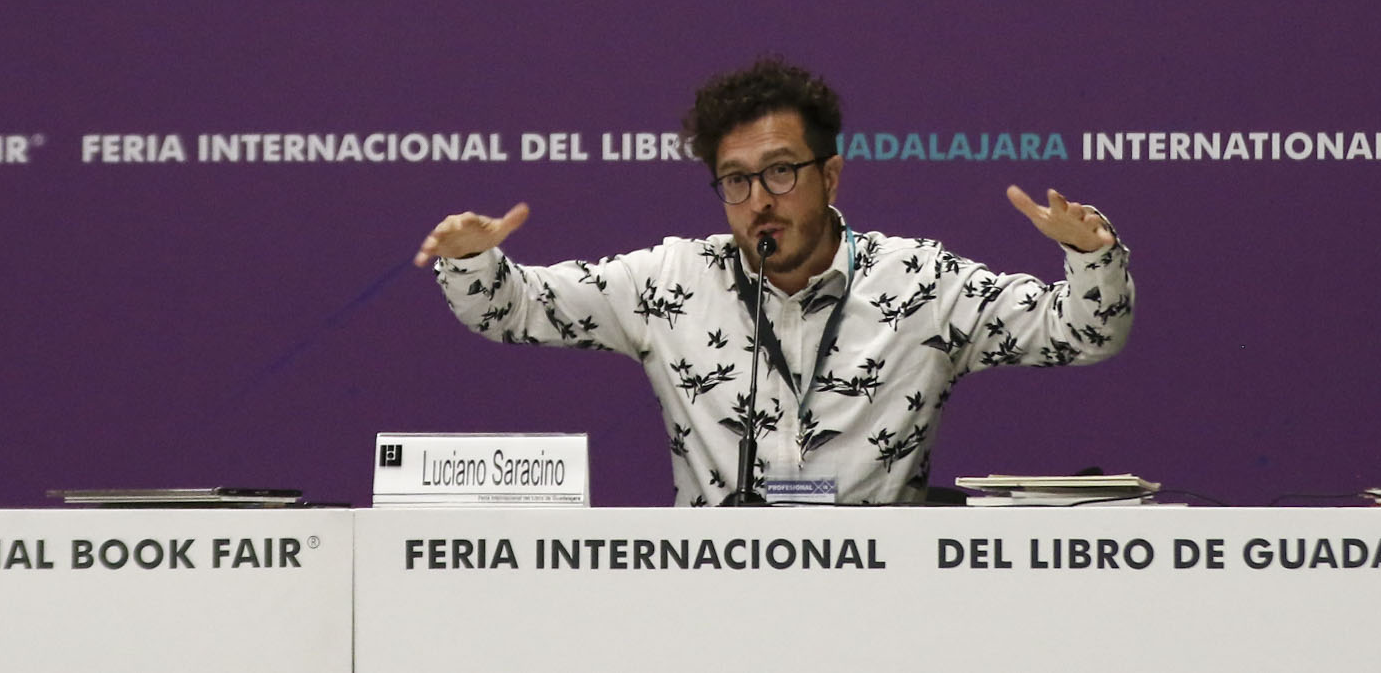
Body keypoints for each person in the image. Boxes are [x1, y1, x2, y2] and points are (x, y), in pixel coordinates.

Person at [415, 57, 1133, 505]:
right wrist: (473, 260)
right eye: (735, 180)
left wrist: (1088, 253)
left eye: (781, 172)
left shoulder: (921, 283)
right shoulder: (668, 282)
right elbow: (514, 309)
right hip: (714, 610)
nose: (759, 199)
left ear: (830, 176)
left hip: (885, 611)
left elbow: (1083, 332)